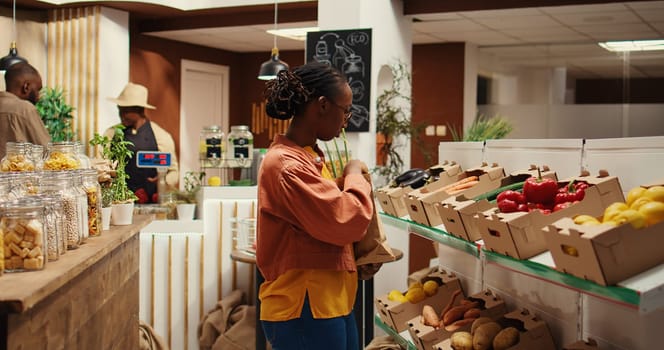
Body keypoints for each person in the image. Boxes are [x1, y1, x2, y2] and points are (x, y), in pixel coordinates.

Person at [256, 62, 374, 350]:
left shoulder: (307, 158)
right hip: (304, 307)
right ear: (322, 105)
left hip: (329, 302)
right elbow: (345, 219)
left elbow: (322, 218)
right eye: (345, 110)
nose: (346, 120)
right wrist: (355, 173)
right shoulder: (286, 165)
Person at [105, 82, 179, 203]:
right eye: (120, 109)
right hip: (119, 203)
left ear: (139, 110)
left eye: (126, 111)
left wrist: (163, 181)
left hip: (151, 204)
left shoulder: (162, 137)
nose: (121, 115)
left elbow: (174, 171)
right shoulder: (110, 134)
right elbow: (102, 165)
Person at [0, 62, 50, 158]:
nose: (38, 97)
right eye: (37, 90)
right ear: (26, 87)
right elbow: (46, 151)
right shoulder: (24, 109)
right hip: (15, 171)